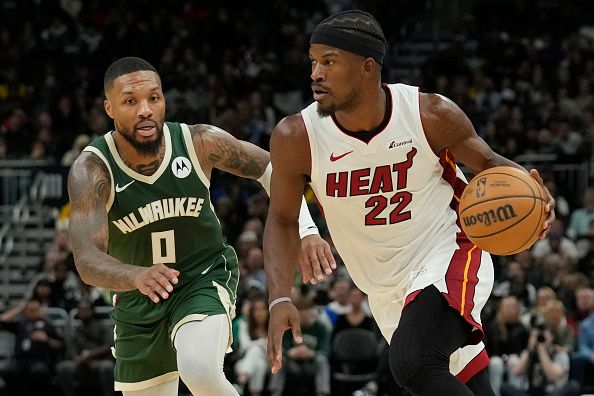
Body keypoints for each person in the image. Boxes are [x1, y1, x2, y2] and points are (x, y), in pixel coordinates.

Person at [263, 10, 555, 396]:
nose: (315, 74)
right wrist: (280, 296)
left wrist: (535, 192)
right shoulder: (296, 136)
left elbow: (489, 164)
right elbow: (283, 220)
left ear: (367, 68)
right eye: (313, 62)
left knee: (413, 362)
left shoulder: (429, 115)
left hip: (447, 248)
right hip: (383, 286)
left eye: (329, 62)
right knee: (460, 381)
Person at [67, 56, 332, 396]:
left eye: (154, 97)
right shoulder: (92, 170)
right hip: (138, 299)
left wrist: (308, 232)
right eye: (130, 101)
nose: (146, 109)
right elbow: (87, 258)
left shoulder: (198, 142)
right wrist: (136, 275)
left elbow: (271, 169)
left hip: (201, 277)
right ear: (109, 109)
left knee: (199, 368)